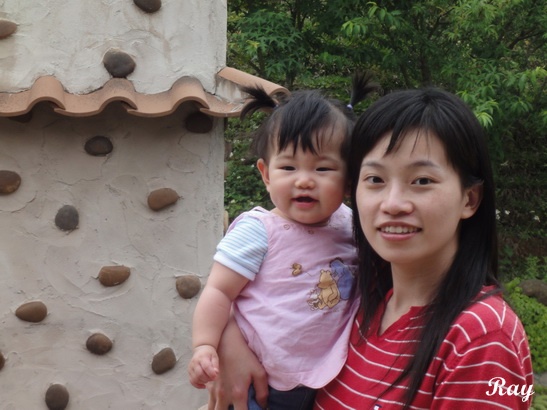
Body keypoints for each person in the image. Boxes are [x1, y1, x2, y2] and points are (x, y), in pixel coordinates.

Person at [206, 87, 535, 410]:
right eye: (376, 179)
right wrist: (228, 340)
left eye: (422, 181)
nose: (392, 204)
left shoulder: (482, 337)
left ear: (469, 199)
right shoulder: (357, 301)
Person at [188, 73, 380, 410]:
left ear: (349, 180)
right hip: (260, 382)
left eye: (322, 169)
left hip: (329, 382)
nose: (304, 181)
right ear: (266, 174)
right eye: (289, 167)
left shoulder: (353, 225)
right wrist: (205, 344)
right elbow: (219, 291)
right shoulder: (258, 230)